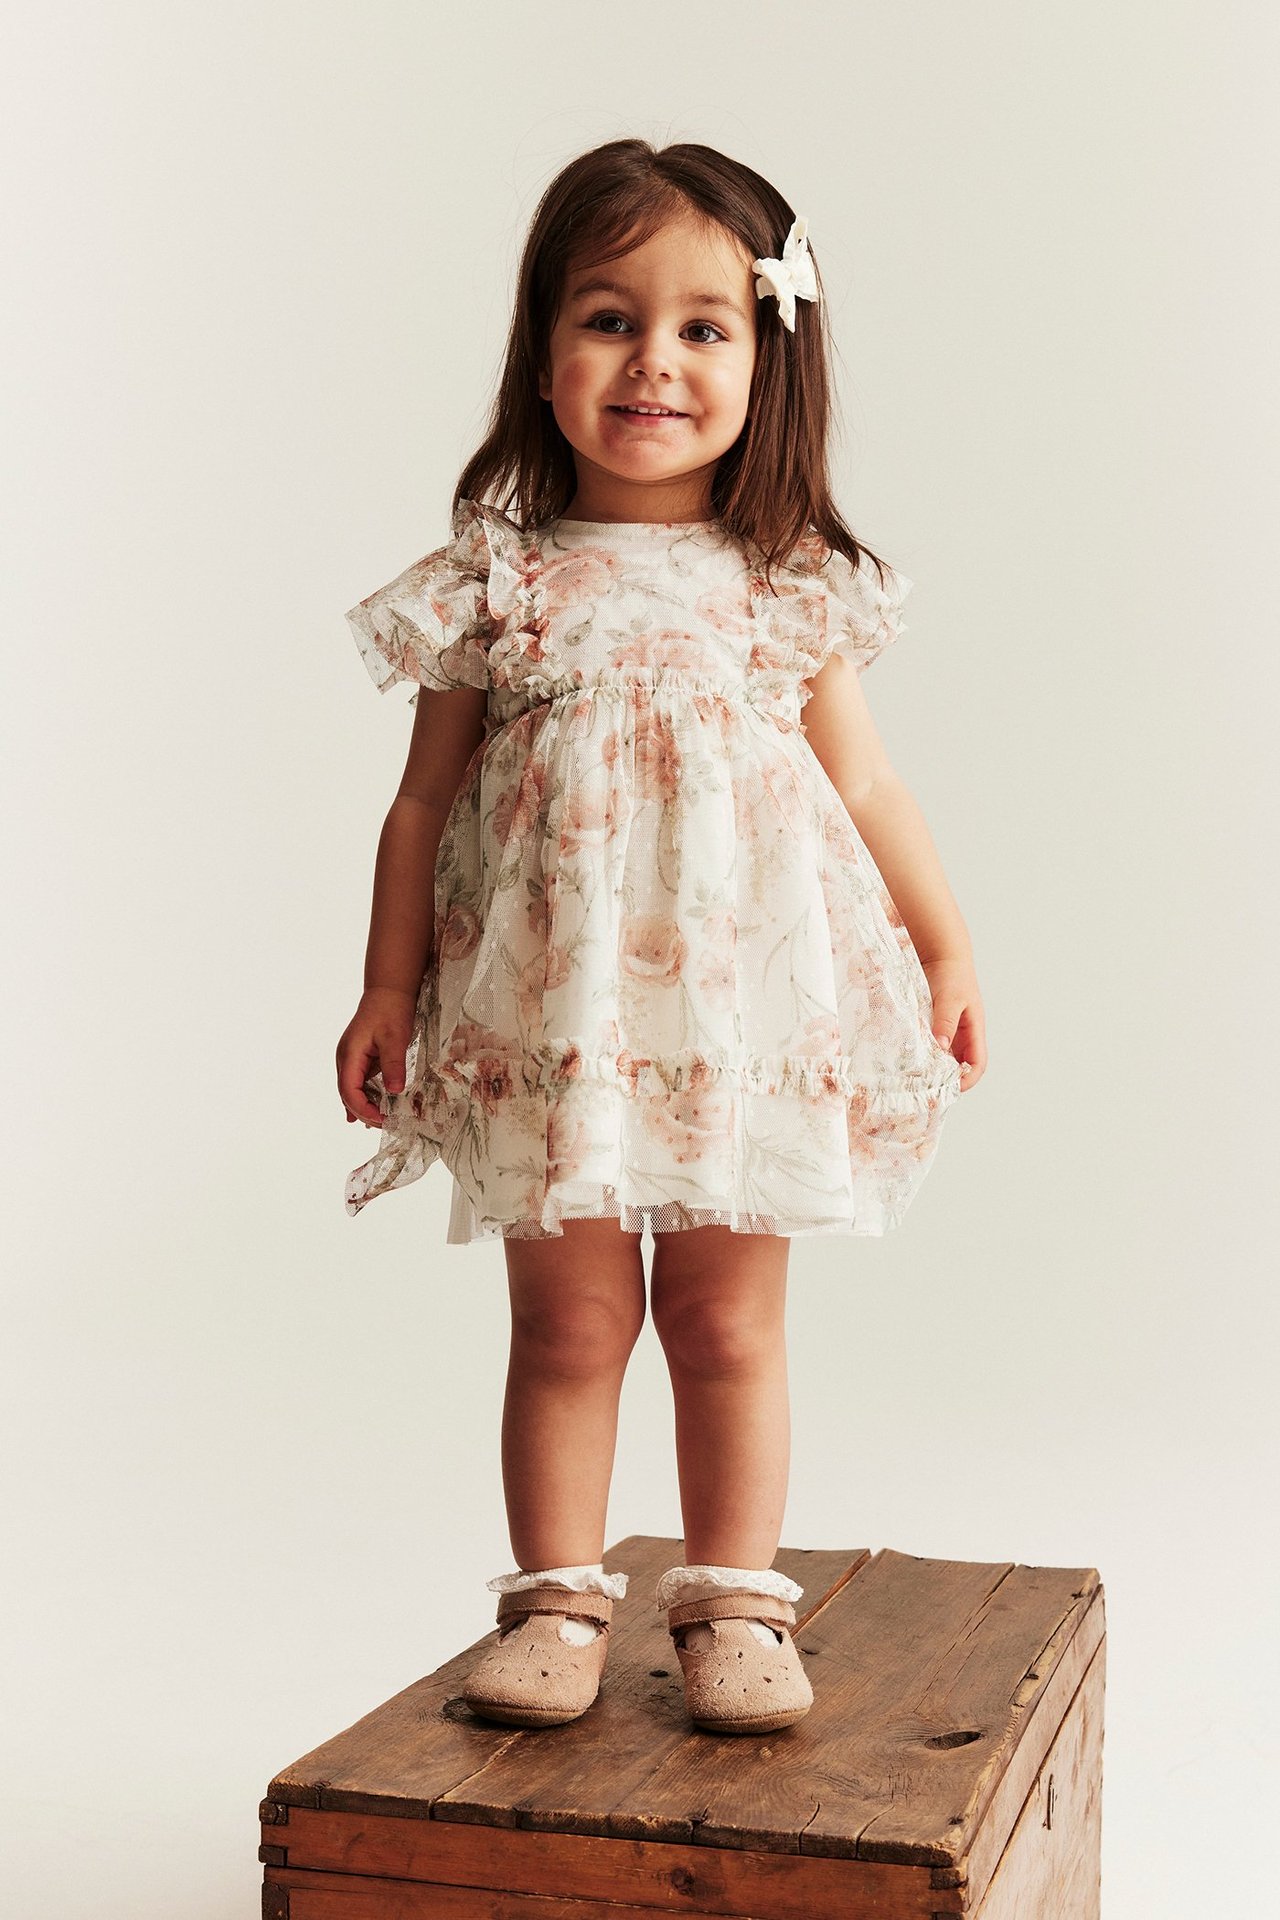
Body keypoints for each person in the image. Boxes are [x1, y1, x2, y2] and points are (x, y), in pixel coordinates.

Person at [335, 138, 987, 1736]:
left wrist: (946, 947)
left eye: (707, 326)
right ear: (542, 349)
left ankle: (733, 1605)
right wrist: (385, 982)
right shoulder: (500, 579)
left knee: (724, 1319)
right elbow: (422, 807)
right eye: (611, 317)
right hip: (548, 1014)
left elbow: (870, 780)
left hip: (738, 1020)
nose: (656, 362)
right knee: (568, 1322)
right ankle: (557, 1598)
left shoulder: (784, 583)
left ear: (771, 355)